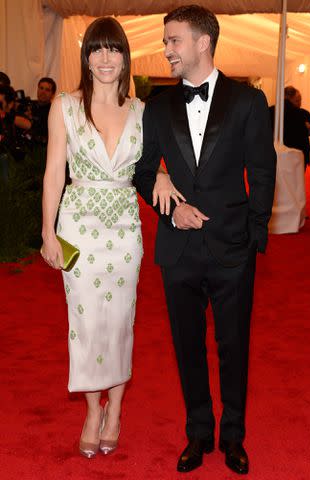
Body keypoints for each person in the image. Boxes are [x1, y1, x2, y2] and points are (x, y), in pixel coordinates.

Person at [133, 5, 276, 475]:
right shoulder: (157, 107)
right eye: (165, 40)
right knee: (187, 347)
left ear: (202, 42)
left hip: (233, 247)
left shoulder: (248, 101)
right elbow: (142, 168)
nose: (166, 49)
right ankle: (198, 434)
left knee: (234, 346)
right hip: (178, 250)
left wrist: (255, 234)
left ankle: (233, 436)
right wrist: (169, 207)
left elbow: (261, 169)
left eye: (173, 40)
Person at [41, 17, 179, 459]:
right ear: (86, 57)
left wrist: (158, 172)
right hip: (77, 227)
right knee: (84, 324)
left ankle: (115, 410)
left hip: (123, 229)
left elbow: (153, 164)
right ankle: (90, 410)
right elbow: (52, 175)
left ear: (125, 56)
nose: (105, 58)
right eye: (96, 49)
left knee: (119, 322)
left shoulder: (143, 112)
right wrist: (47, 232)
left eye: (113, 49)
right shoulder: (64, 105)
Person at [30, 77, 57, 144]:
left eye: (47, 90)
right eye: (41, 88)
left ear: (53, 95)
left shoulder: (54, 112)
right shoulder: (29, 105)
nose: (43, 92)